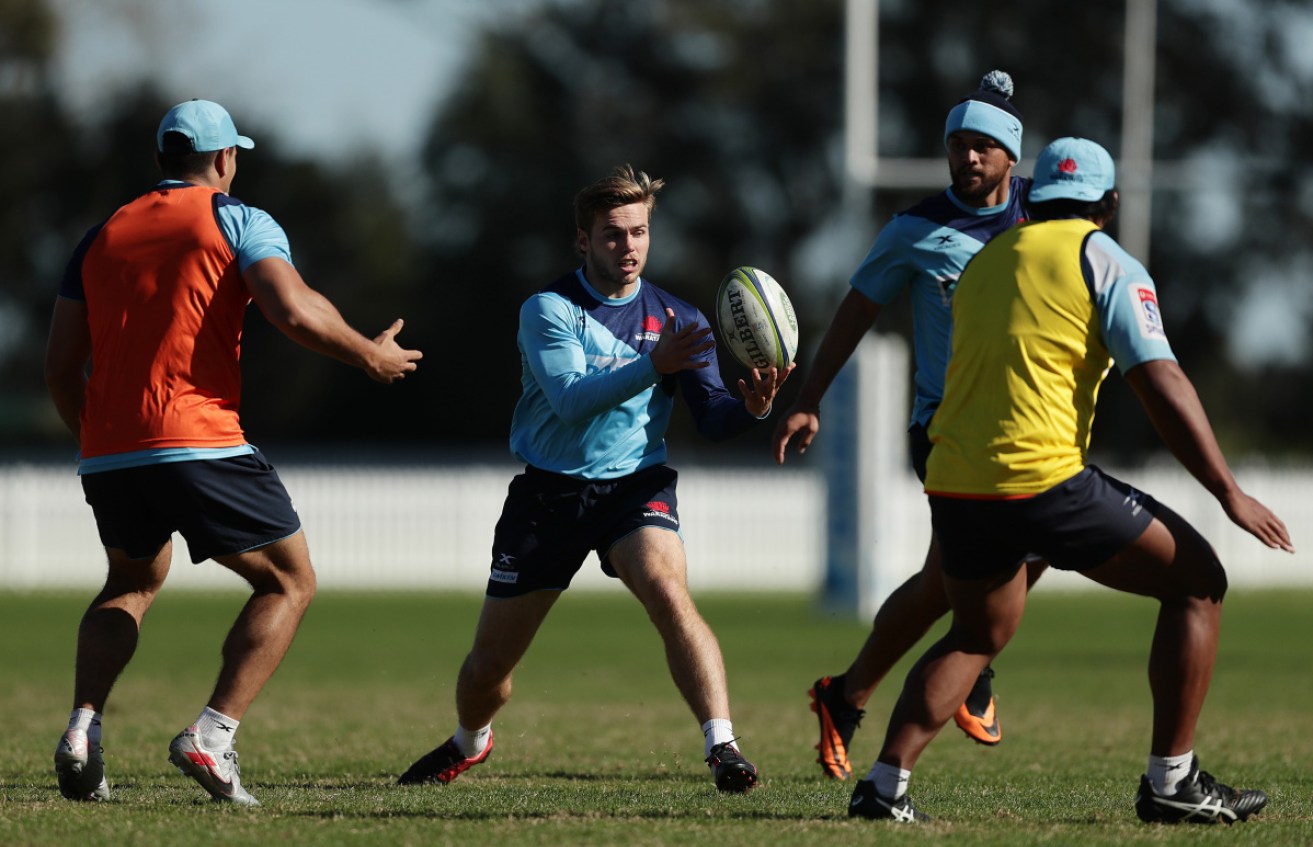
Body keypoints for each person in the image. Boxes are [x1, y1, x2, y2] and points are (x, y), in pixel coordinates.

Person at [848, 136, 1294, 823]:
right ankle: (1172, 782)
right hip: (1043, 483)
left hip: (957, 484)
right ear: (1107, 205)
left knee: (974, 634)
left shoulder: (985, 262)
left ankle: (882, 786)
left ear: (1032, 198)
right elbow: (1160, 381)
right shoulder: (1104, 259)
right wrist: (1226, 491)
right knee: (1199, 584)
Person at [45, 99, 423, 806]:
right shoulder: (236, 217)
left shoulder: (99, 237)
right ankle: (211, 738)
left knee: (128, 583)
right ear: (225, 159)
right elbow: (292, 308)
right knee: (288, 581)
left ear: (163, 160)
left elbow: (61, 366)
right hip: (198, 439)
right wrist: (368, 355)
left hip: (110, 451)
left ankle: (82, 728)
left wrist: (94, 437)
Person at [395, 164, 791, 793]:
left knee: (667, 589)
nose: (628, 246)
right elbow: (571, 398)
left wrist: (754, 407)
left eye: (638, 232)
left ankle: (724, 747)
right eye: (612, 234)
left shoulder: (681, 318)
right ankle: (471, 740)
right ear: (583, 241)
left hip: (636, 487)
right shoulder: (549, 309)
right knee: (489, 668)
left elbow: (713, 417)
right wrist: (651, 364)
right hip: (548, 496)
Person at [773, 70, 1044, 780]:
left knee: (946, 581)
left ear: (1012, 155)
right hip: (946, 430)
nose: (968, 158)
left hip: (1029, 428)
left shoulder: (1045, 221)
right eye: (958, 144)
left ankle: (847, 692)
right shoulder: (915, 231)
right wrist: (810, 397)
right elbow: (855, 310)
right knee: (1013, 556)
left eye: (984, 145)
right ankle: (969, 662)